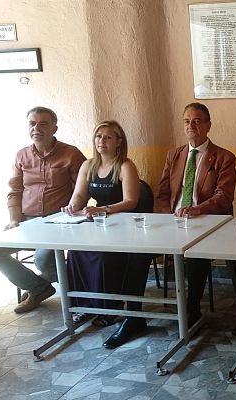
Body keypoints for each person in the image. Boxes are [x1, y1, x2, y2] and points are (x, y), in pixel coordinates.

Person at [62, 120, 152, 349]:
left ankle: (110, 308)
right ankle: (87, 305)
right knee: (76, 252)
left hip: (122, 223)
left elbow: (131, 201)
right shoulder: (88, 165)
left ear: (119, 142)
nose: (102, 141)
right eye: (98, 136)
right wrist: (72, 207)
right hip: (98, 223)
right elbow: (79, 196)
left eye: (108, 137)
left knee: (103, 255)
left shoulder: (125, 166)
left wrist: (103, 209)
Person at [0, 106, 85, 313]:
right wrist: (14, 219)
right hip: (27, 222)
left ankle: (79, 292)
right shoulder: (21, 155)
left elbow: (82, 190)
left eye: (43, 124)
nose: (36, 128)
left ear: (54, 128)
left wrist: (70, 215)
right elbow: (15, 191)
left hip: (58, 222)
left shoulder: (71, 154)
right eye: (32, 123)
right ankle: (38, 287)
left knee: (42, 260)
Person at [155, 102, 236, 327]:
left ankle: (192, 309)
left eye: (197, 121)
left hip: (206, 221)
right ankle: (132, 312)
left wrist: (196, 210)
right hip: (174, 221)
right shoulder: (174, 155)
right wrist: (167, 217)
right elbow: (162, 193)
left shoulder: (223, 157)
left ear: (208, 126)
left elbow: (224, 197)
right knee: (137, 251)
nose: (191, 126)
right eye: (187, 121)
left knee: (197, 254)